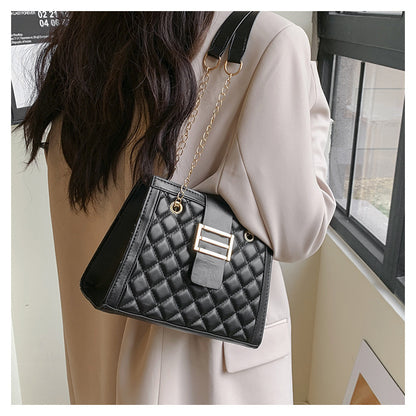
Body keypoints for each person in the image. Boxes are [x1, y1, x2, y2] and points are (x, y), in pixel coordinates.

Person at [19, 11, 336, 404]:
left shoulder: (87, 37)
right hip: (198, 381)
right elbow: (299, 233)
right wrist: (313, 119)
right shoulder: (270, 41)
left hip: (94, 362)